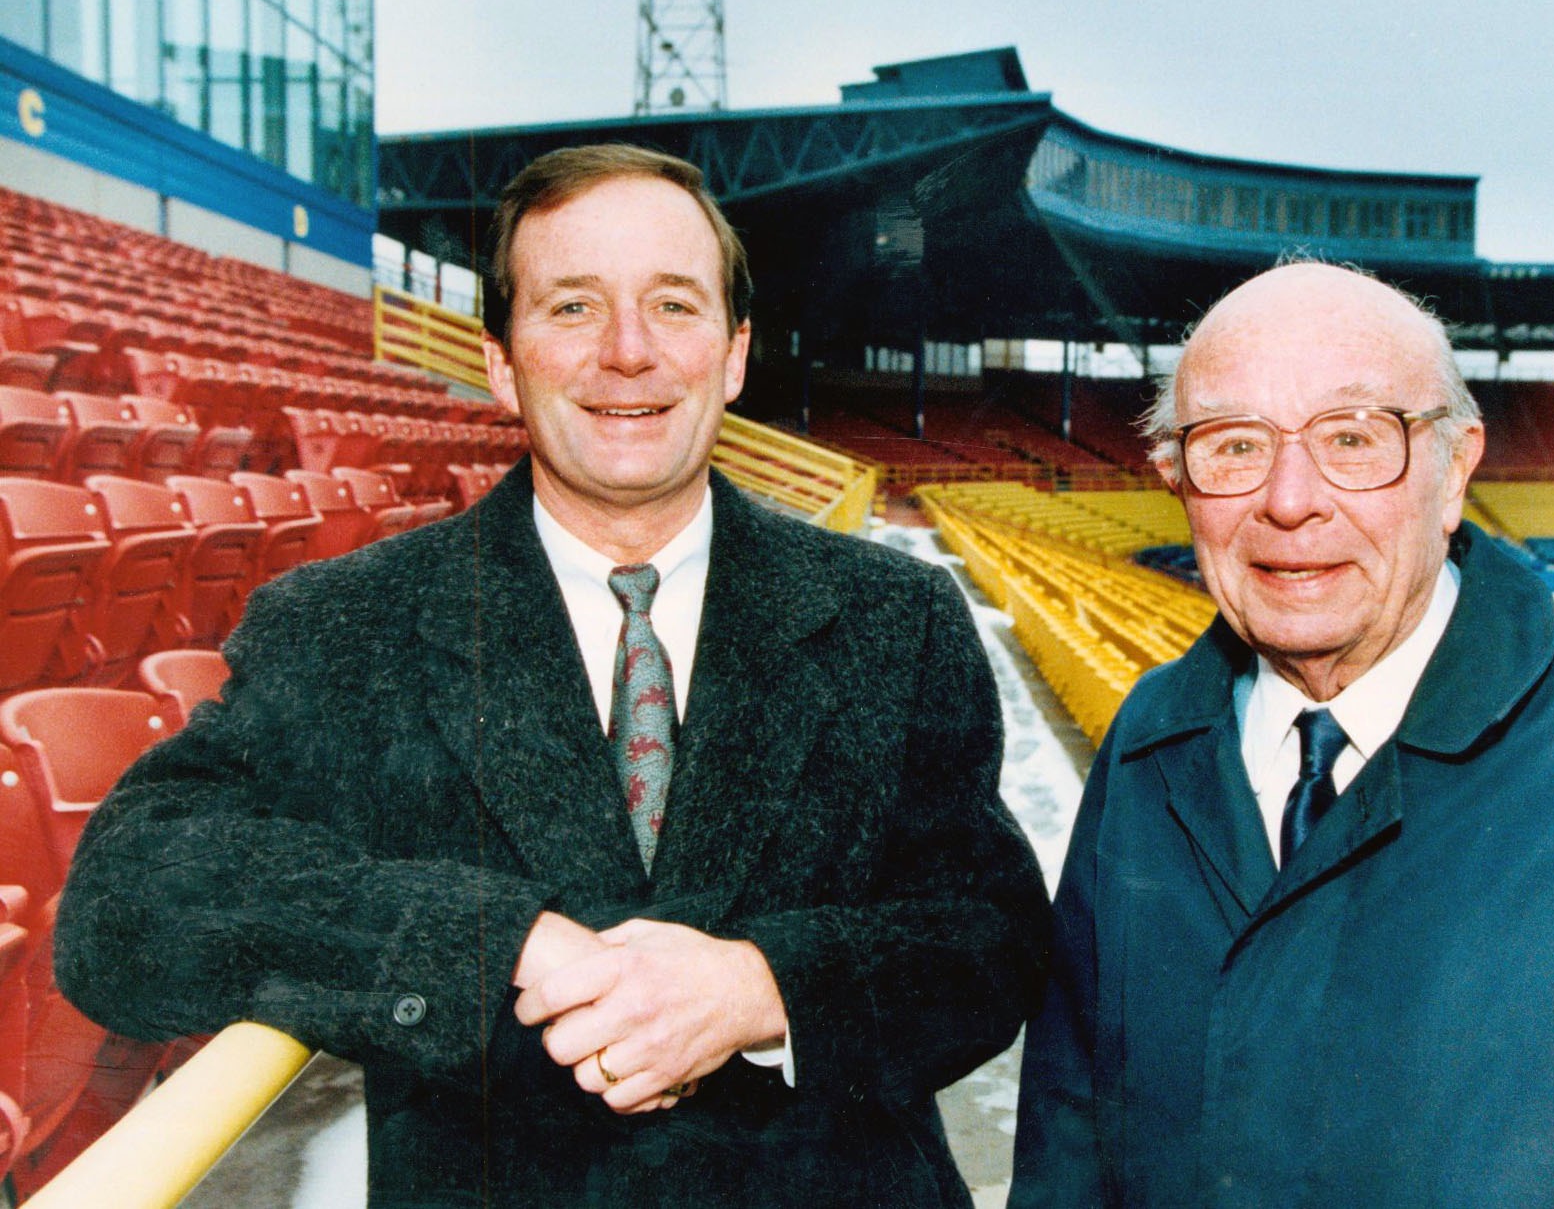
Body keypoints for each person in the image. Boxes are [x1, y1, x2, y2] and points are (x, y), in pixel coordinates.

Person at [56, 144, 1050, 1208]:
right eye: (572, 307)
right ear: (499, 358)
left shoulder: (894, 617)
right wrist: (496, 942)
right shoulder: (345, 623)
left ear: (734, 353)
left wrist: (760, 986)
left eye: (673, 305)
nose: (628, 353)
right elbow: (124, 907)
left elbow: (988, 931)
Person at [1009, 261, 1554, 1208]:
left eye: (1351, 439)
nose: (1290, 499)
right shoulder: (1150, 739)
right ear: (1175, 478)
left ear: (1456, 465)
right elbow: (1068, 1146)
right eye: (1232, 447)